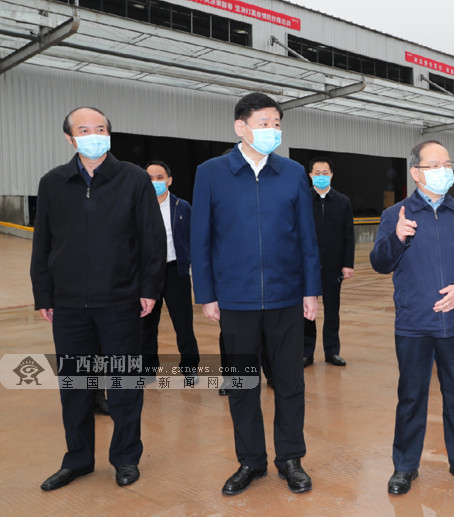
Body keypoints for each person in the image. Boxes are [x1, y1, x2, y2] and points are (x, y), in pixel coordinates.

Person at [191, 92, 321, 496]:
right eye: (264, 122)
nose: (272, 130)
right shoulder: (211, 173)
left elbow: (306, 237)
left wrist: (311, 290)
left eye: (276, 123)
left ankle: (290, 458)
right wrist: (207, 293)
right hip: (236, 299)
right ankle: (250, 460)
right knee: (242, 384)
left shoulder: (293, 172)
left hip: (285, 297)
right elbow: (201, 238)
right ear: (240, 127)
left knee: (289, 382)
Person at [30, 106, 165, 490]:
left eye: (101, 128)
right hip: (70, 305)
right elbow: (43, 243)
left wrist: (148, 289)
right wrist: (44, 292)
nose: (94, 134)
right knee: (75, 388)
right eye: (84, 129)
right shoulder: (54, 182)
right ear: (70, 139)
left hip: (121, 302)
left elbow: (152, 240)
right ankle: (78, 460)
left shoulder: (134, 180)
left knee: (124, 386)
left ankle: (125, 458)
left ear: (109, 134)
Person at [370, 140, 454, 495]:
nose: (443, 171)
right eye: (434, 165)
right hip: (413, 324)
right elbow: (379, 263)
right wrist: (396, 239)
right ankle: (405, 467)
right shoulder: (397, 215)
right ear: (416, 172)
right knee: (411, 396)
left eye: (447, 164)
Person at [142, 161, 199, 379]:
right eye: (150, 178)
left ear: (169, 180)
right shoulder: (137, 207)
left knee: (183, 323)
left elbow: (193, 238)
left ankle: (190, 367)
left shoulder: (182, 207)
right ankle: (147, 368)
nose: (154, 182)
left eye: (159, 177)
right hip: (148, 275)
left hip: (176, 271)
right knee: (146, 324)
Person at [303, 156, 355, 368]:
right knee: (308, 313)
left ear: (332, 175)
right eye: (317, 173)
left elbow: (348, 235)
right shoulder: (303, 199)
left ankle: (332, 352)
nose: (321, 176)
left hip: (333, 267)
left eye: (325, 173)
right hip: (308, 268)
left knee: (332, 311)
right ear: (310, 175)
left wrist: (347, 263)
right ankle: (306, 353)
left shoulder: (343, 202)